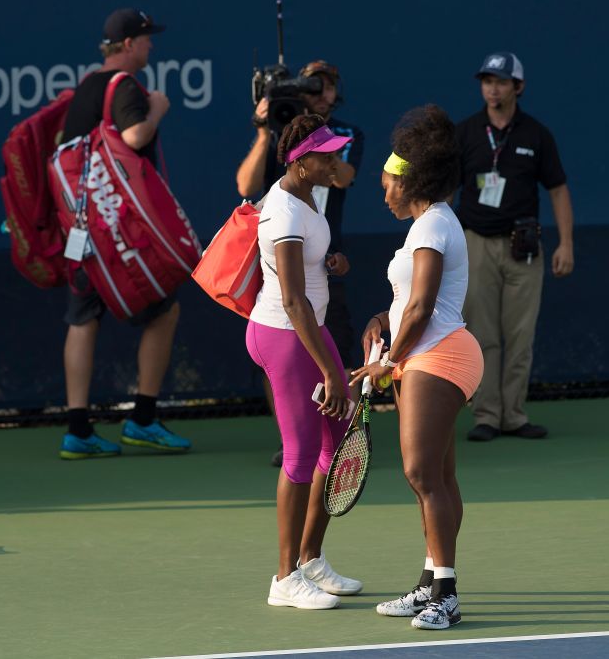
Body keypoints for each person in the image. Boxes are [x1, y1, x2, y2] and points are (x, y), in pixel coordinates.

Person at [350, 106, 483, 630]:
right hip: (425, 353)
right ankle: (430, 582)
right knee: (436, 478)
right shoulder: (429, 224)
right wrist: (384, 318)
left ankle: (446, 595)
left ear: (413, 182)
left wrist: (387, 361)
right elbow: (411, 299)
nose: (384, 195)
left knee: (421, 473)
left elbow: (426, 307)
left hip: (439, 354)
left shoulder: (432, 226)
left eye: (388, 185)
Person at [58, 8, 191, 459]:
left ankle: (77, 429)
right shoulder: (127, 87)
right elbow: (134, 136)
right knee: (163, 310)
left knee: (82, 317)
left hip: (83, 229)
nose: (151, 46)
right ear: (129, 44)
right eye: (147, 39)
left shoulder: (86, 88)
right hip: (116, 232)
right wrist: (156, 108)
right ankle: (143, 419)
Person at [246, 114, 363, 609]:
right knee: (298, 456)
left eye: (338, 153)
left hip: (307, 331)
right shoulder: (284, 212)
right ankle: (282, 578)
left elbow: (307, 275)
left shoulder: (310, 196)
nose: (337, 162)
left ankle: (310, 557)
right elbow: (293, 301)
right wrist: (333, 373)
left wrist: (332, 262)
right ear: (301, 160)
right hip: (284, 335)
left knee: (335, 445)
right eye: (328, 155)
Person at [236, 61, 364, 466]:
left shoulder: (346, 135)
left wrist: (323, 143)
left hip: (320, 272)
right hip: (285, 303)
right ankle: (294, 431)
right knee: (300, 447)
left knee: (339, 355)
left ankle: (321, 439)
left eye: (325, 87)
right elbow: (245, 185)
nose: (319, 93)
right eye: (311, 87)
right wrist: (264, 132)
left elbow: (342, 177)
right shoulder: (282, 148)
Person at [455, 52, 575, 442]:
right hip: (476, 243)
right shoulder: (467, 132)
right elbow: (445, 188)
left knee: (520, 335)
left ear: (518, 87)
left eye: (502, 81)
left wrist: (566, 244)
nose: (492, 88)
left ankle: (515, 415)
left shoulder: (537, 135)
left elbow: (558, 190)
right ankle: (487, 415)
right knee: (481, 334)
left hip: (523, 247)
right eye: (487, 80)